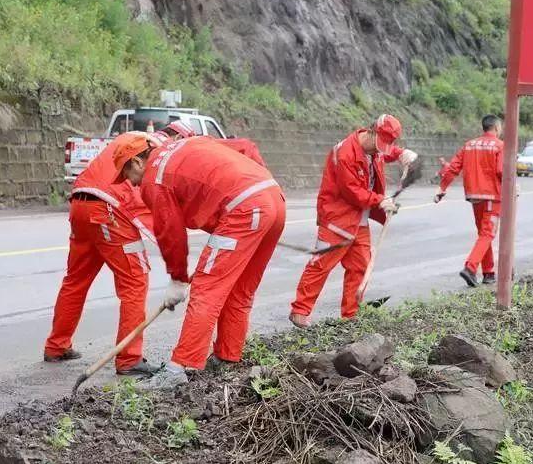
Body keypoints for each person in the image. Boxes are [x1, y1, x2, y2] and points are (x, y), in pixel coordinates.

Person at [118, 134, 286, 389]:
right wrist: (258, 192)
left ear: (137, 162)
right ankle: (227, 356)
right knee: (240, 289)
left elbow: (170, 233)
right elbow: (245, 146)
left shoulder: (154, 178)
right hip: (273, 196)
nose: (129, 182)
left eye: (126, 173)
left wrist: (177, 279)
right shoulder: (186, 143)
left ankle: (178, 367)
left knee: (206, 290)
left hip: (244, 208)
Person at [43, 132, 159, 377]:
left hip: (80, 203)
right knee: (135, 281)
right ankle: (129, 358)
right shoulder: (153, 151)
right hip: (109, 210)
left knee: (75, 281)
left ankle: (57, 346)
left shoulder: (129, 138)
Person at [288, 115, 418, 327]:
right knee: (321, 264)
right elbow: (352, 192)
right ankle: (300, 310)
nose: (381, 151)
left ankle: (351, 316)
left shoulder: (372, 149)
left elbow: (385, 154)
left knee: (360, 267)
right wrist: (380, 201)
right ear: (372, 131)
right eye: (381, 145)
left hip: (360, 220)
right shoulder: (345, 153)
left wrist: (402, 154)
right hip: (337, 218)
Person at [434, 114, 504, 287]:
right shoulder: (500, 145)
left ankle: (488, 273)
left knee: (483, 234)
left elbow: (453, 168)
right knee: (488, 234)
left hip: (474, 197)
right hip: (492, 196)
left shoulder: (469, 145)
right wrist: (511, 189)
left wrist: (442, 188)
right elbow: (502, 171)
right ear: (496, 128)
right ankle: (470, 267)